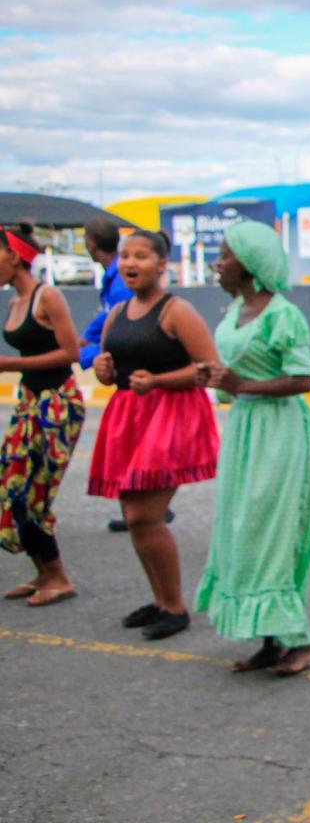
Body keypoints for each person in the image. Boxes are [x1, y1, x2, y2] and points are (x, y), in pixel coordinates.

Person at [193, 221, 310, 676]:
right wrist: (218, 384)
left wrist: (241, 383)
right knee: (244, 529)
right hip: (245, 429)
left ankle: (299, 641)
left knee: (274, 531)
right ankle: (271, 639)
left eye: (225, 254)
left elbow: (301, 379)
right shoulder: (233, 313)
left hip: (279, 432)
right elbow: (231, 385)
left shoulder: (283, 314)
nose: (217, 262)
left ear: (249, 264)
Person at [88, 230, 220, 640]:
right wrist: (104, 371)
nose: (130, 263)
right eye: (125, 256)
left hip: (171, 418)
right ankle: (161, 599)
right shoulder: (117, 313)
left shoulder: (176, 310)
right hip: (130, 417)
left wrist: (160, 380)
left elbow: (210, 368)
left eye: (141, 256)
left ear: (162, 265)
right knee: (133, 516)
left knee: (144, 515)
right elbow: (111, 364)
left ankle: (175, 606)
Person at [0, 223, 85, 606]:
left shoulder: (45, 296)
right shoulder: (15, 301)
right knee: (11, 488)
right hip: (30, 402)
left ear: (14, 256)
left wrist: (8, 365)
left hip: (57, 404)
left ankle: (59, 578)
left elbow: (71, 353)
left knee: (34, 493)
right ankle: (42, 574)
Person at [79, 218, 155, 536]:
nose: (130, 265)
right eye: (126, 257)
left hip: (136, 381)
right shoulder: (113, 283)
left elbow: (130, 325)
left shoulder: (122, 285)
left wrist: (85, 351)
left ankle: (146, 507)